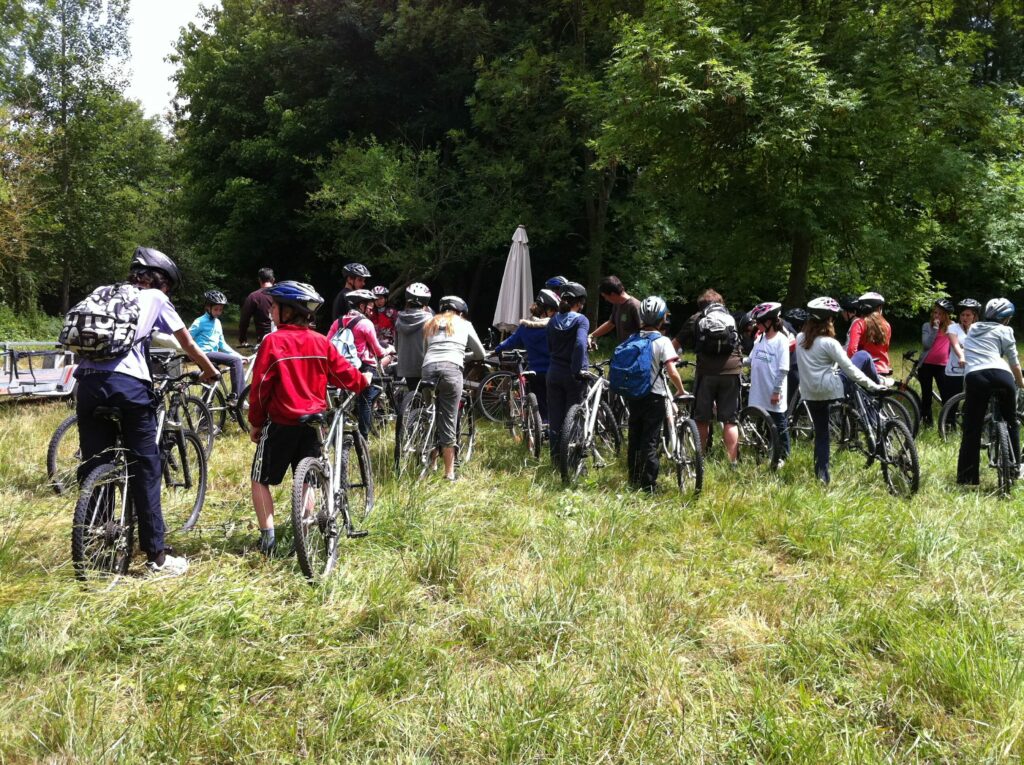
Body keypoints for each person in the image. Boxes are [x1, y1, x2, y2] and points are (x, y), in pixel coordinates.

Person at [73, 247, 220, 576]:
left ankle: (94, 540)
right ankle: (156, 556)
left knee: (97, 463)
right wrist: (211, 372)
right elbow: (188, 345)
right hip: (128, 387)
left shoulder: (104, 293)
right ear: (162, 281)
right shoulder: (155, 298)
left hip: (87, 385)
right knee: (146, 467)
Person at [248, 281, 369, 555]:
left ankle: (267, 539)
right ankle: (303, 534)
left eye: (275, 307)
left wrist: (256, 421)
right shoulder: (320, 341)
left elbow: (261, 387)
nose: (271, 312)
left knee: (260, 479)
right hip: (314, 423)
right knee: (308, 479)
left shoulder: (273, 341)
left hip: (281, 422)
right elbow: (344, 375)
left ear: (288, 311)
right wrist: (363, 381)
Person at [796, 297, 885, 484]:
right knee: (863, 356)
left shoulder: (800, 339)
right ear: (829, 320)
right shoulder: (829, 343)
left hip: (810, 394)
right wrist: (873, 385)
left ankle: (822, 477)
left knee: (822, 434)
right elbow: (850, 370)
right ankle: (878, 388)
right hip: (831, 390)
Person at [956, 298, 1024, 485]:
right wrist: (1021, 383)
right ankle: (1014, 469)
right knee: (1011, 422)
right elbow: (1014, 363)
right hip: (1002, 375)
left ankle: (967, 478)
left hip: (975, 377)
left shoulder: (973, 329)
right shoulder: (1006, 330)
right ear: (1006, 318)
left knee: (972, 428)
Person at [672, 288, 742, 464]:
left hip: (706, 374)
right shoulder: (729, 317)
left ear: (700, 306)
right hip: (732, 371)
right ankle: (732, 462)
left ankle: (700, 460)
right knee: (730, 420)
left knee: (701, 418)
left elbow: (675, 344)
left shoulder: (696, 318)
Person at [420, 295, 486, 480]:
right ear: (461, 311)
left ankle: (430, 461)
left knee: (430, 413)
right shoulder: (464, 324)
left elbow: (426, 351)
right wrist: (462, 355)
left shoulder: (430, 322)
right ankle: (449, 473)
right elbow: (480, 352)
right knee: (448, 417)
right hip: (451, 369)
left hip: (428, 368)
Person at [625, 296, 686, 491]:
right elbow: (672, 370)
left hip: (634, 395)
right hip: (654, 396)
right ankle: (648, 485)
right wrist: (681, 389)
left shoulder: (632, 338)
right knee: (650, 440)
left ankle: (633, 479)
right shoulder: (663, 341)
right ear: (662, 319)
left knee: (635, 437)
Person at [327, 289, 391, 439]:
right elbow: (377, 350)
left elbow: (328, 343)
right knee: (367, 398)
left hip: (342, 366)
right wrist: (388, 351)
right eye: (369, 305)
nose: (371, 308)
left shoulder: (338, 321)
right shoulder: (365, 323)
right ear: (361, 305)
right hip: (363, 366)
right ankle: (364, 437)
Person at [493, 289, 558, 421]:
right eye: (554, 311)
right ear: (549, 310)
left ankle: (541, 425)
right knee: (555, 402)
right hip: (553, 371)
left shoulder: (525, 328)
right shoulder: (553, 327)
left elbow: (510, 342)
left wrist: (497, 349)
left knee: (539, 403)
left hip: (534, 372)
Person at [547, 282, 589, 463]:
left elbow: (549, 345)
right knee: (574, 416)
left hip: (554, 372)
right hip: (573, 375)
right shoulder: (581, 320)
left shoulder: (553, 320)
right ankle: (573, 460)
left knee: (555, 417)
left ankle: (556, 458)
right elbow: (580, 344)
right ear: (579, 302)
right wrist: (576, 369)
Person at [747, 301, 791, 465]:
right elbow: (751, 359)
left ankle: (784, 456)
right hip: (759, 390)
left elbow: (783, 369)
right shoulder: (760, 340)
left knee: (779, 423)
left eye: (758, 322)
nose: (756, 325)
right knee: (761, 421)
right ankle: (763, 451)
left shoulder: (781, 340)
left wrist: (776, 391)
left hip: (773, 391)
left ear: (769, 321)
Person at [189, 290, 247, 400]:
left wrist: (238, 355)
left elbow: (222, 344)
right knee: (236, 362)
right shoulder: (200, 321)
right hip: (204, 354)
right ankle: (238, 397)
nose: (218, 312)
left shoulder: (217, 323)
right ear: (208, 307)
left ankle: (205, 411)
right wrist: (191, 353)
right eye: (216, 309)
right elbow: (187, 338)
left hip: (213, 354)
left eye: (220, 310)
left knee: (211, 381)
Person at [918, 297, 956, 425]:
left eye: (940, 313)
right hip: (926, 365)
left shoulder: (952, 327)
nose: (936, 315)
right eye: (935, 312)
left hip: (943, 366)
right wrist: (935, 329)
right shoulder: (926, 326)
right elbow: (926, 345)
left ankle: (949, 423)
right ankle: (927, 423)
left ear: (945, 316)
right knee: (926, 396)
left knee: (946, 395)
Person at [395, 282, 432, 392]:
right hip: (424, 366)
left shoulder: (399, 319)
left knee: (414, 397)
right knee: (427, 400)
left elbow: (396, 346)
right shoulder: (430, 321)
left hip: (406, 367)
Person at [847, 291, 890, 379]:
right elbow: (885, 347)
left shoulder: (859, 323)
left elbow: (851, 350)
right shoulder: (886, 325)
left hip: (865, 371)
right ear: (878, 308)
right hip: (883, 369)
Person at [588, 276, 641, 345]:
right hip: (624, 350)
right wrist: (591, 336)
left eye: (605, 296)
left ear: (613, 294)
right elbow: (611, 323)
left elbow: (647, 331)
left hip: (636, 351)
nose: (605, 300)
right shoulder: (617, 304)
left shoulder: (635, 306)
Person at [947, 297, 981, 390]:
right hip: (955, 370)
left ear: (974, 316)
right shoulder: (953, 327)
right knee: (952, 401)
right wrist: (962, 356)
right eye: (962, 315)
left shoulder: (978, 329)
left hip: (972, 369)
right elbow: (955, 344)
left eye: (968, 315)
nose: (964, 318)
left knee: (972, 399)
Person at [238, 267, 275, 345]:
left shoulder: (254, 296)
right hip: (282, 338)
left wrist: (242, 338)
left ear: (259, 280)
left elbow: (244, 319)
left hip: (264, 340)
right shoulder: (282, 295)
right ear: (273, 280)